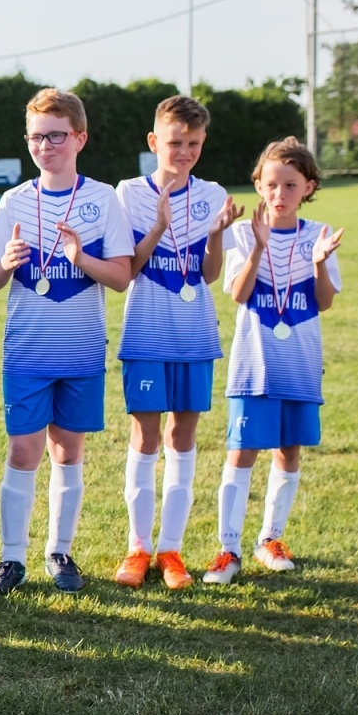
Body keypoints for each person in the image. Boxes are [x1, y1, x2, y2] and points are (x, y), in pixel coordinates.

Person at [0, 88, 133, 598]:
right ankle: (11, 559)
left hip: (81, 349)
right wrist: (9, 262)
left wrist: (80, 256)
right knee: (23, 451)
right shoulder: (14, 201)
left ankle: (59, 551)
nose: (46, 145)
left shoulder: (102, 198)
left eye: (56, 135)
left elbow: (121, 277)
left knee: (68, 451)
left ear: (79, 138)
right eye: (37, 137)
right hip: (27, 350)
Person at [113, 96, 241, 589]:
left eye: (192, 143)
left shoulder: (213, 194)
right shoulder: (128, 193)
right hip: (145, 334)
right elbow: (128, 269)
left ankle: (171, 550)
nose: (183, 151)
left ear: (202, 142)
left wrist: (215, 236)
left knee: (182, 439)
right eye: (174, 142)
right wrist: (160, 227)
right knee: (146, 438)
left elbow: (209, 275)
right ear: (153, 142)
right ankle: (138, 547)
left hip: (194, 337)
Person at [205, 138, 343, 585]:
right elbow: (238, 293)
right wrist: (261, 248)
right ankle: (228, 549)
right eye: (271, 184)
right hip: (254, 365)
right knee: (242, 451)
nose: (279, 194)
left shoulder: (319, 235)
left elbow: (324, 302)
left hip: (300, 363)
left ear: (308, 187)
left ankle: (271, 539)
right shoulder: (244, 234)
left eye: (290, 185)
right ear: (259, 187)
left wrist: (319, 264)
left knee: (288, 451)